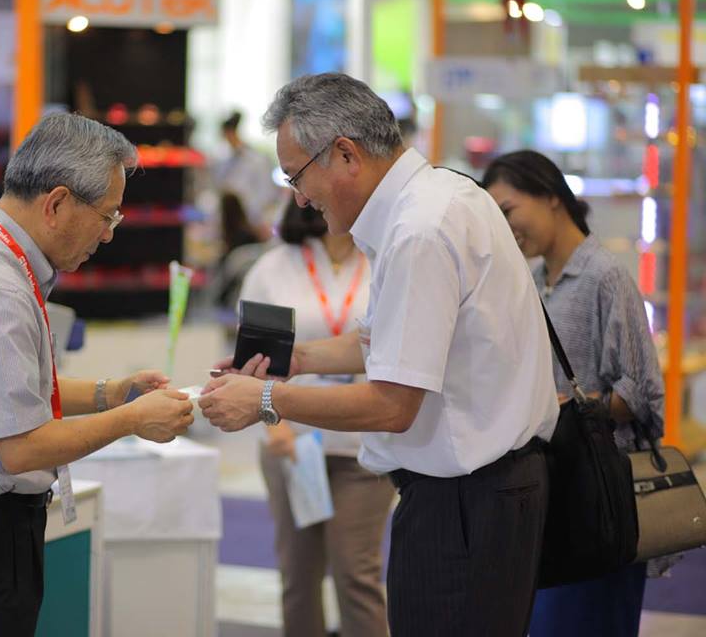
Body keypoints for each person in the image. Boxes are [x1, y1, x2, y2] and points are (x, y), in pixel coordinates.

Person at [198, 72, 559, 637]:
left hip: (466, 500)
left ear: (345, 154)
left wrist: (266, 399)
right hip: (480, 493)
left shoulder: (419, 231)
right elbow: (384, 343)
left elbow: (392, 405)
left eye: (297, 176)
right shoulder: (443, 196)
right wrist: (296, 360)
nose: (299, 198)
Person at [0, 113, 194, 636]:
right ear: (57, 204)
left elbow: (9, 392)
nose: (109, 235)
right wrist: (132, 420)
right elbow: (21, 446)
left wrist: (112, 394)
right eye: (107, 216)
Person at [482, 150, 665, 637]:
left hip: (600, 492)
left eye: (507, 210)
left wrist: (569, 410)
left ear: (549, 195)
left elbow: (641, 390)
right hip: (551, 491)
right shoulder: (534, 282)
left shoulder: (605, 275)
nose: (505, 227)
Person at [240, 197, 394, 636]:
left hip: (365, 445)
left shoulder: (383, 259)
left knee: (357, 574)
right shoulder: (273, 268)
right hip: (293, 442)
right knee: (298, 575)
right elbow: (252, 361)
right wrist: (275, 426)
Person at [213, 110, 283, 238]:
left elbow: (267, 193)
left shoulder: (258, 160)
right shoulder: (223, 161)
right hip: (230, 222)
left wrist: (255, 219)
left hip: (253, 224)